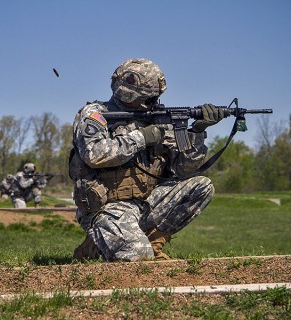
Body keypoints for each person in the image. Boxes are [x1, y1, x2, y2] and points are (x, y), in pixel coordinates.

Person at [70, 58, 225, 262]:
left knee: (201, 186)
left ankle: (154, 243)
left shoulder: (156, 118)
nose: (154, 102)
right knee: (138, 256)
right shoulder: (96, 115)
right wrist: (142, 138)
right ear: (128, 92)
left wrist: (196, 133)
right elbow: (95, 154)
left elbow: (184, 169)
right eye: (149, 98)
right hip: (108, 206)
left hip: (147, 202)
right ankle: (97, 240)